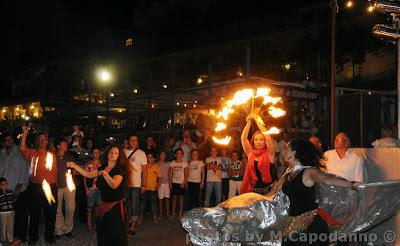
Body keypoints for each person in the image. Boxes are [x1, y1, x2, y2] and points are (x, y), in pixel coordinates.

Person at [280, 138, 360, 246]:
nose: (283, 151)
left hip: (310, 227)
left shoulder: (308, 172)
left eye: (286, 149)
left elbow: (326, 179)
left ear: (294, 153)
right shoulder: (289, 172)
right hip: (292, 224)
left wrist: (351, 184)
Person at [67, 145, 128, 246]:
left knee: (115, 234)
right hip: (103, 205)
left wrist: (105, 175)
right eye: (111, 152)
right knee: (102, 232)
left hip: (115, 207)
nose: (113, 154)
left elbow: (114, 185)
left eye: (116, 153)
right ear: (107, 154)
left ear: (119, 156)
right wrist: (75, 166)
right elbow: (88, 174)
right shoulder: (103, 167)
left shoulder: (119, 170)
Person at [20, 126, 58, 244]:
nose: (42, 141)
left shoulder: (51, 155)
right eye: (40, 139)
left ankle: (49, 236)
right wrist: (25, 132)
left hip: (50, 187)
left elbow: (55, 172)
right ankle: (33, 237)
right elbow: (22, 148)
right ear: (37, 141)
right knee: (35, 213)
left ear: (47, 141)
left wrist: (55, 187)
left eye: (44, 139)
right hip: (36, 187)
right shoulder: (33, 153)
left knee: (50, 213)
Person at [0, 132, 29, 244]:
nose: (10, 142)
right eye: (7, 140)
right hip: (3, 190)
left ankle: (21, 236)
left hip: (17, 188)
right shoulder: (1, 154)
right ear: (3, 142)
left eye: (11, 139)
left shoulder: (19, 152)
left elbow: (26, 169)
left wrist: (20, 185)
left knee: (20, 214)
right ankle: (7, 236)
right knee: (6, 214)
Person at [240, 114, 277, 194]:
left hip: (269, 191)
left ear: (265, 142)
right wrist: (248, 123)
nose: (258, 142)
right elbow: (243, 139)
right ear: (253, 141)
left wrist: (257, 120)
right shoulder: (250, 154)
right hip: (254, 191)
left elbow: (268, 138)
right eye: (256, 139)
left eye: (261, 139)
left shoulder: (270, 153)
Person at [124, 134, 147, 235]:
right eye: (131, 140)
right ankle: (129, 220)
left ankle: (132, 227)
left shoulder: (141, 153)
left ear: (137, 142)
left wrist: (144, 184)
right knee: (126, 204)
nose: (133, 142)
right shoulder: (123, 152)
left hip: (136, 184)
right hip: (125, 184)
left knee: (135, 205)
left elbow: (145, 171)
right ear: (128, 141)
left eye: (135, 140)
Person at [54, 137, 76, 239]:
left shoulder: (69, 156)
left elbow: (75, 169)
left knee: (70, 208)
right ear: (58, 145)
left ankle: (68, 229)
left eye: (66, 144)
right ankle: (58, 230)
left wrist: (74, 177)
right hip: (57, 186)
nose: (66, 145)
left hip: (69, 186)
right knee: (58, 208)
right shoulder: (53, 156)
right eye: (64, 143)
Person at [139, 153, 161, 224]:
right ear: (146, 158)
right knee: (142, 203)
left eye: (151, 157)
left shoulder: (156, 166)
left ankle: (155, 218)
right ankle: (140, 218)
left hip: (153, 188)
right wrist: (141, 186)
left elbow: (159, 177)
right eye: (148, 157)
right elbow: (140, 176)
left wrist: (158, 184)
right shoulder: (144, 166)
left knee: (154, 204)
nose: (150, 159)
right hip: (145, 188)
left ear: (154, 158)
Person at [83, 146, 102, 232]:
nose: (96, 154)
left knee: (98, 207)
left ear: (100, 153)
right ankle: (89, 226)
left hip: (100, 188)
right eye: (94, 152)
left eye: (97, 152)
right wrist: (86, 188)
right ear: (92, 154)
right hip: (91, 188)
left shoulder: (103, 164)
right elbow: (84, 176)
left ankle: (97, 224)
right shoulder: (88, 164)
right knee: (89, 208)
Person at [169, 148, 188, 219]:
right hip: (174, 182)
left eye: (180, 154)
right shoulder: (172, 163)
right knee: (174, 198)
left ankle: (180, 213)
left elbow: (186, 174)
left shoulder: (184, 163)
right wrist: (170, 183)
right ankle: (173, 212)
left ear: (182, 155)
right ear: (175, 155)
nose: (179, 155)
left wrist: (184, 182)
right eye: (177, 153)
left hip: (181, 183)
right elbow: (170, 174)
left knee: (181, 198)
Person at [0, 177, 15, 244]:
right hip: (3, 213)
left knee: (10, 226)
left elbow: (14, 200)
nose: (4, 186)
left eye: (6, 184)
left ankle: (10, 239)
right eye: (2, 184)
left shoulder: (10, 192)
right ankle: (3, 239)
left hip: (11, 212)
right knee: (3, 226)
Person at [158, 151, 170, 217]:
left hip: (167, 183)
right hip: (160, 184)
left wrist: (170, 182)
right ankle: (161, 213)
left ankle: (168, 213)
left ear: (165, 156)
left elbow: (170, 173)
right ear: (159, 156)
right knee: (160, 199)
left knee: (167, 199)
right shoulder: (157, 164)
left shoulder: (168, 163)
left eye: (164, 155)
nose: (162, 156)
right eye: (161, 155)